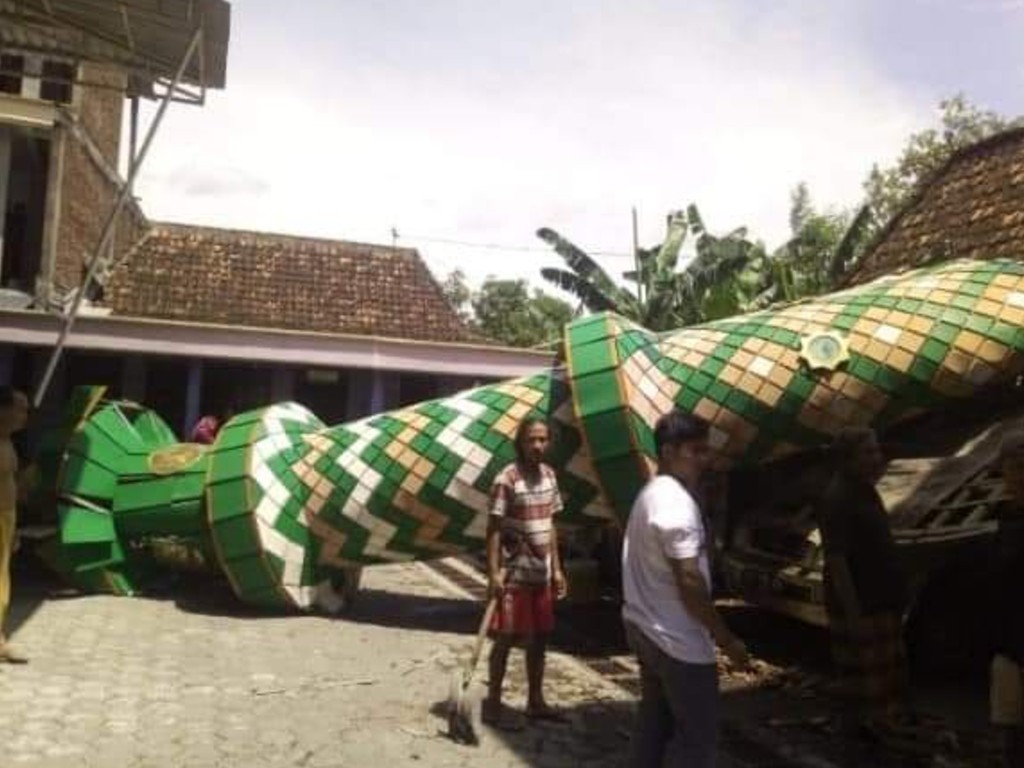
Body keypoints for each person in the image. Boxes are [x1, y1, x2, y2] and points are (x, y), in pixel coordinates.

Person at [621, 409, 750, 768]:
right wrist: (727, 639)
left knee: (654, 727)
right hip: (677, 641)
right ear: (668, 451)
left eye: (704, 450)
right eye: (695, 451)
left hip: (646, 628)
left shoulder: (652, 493)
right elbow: (690, 583)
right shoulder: (675, 505)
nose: (704, 460)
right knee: (698, 741)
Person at [817, 426, 908, 736]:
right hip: (863, 605)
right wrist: (854, 613)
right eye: (868, 452)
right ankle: (867, 744)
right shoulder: (838, 498)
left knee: (886, 681)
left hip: (880, 600)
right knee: (866, 688)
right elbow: (837, 559)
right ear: (848, 459)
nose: (876, 457)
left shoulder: (864, 489)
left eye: (876, 450)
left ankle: (878, 736)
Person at [483, 416, 568, 730]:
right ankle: (492, 701)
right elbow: (492, 529)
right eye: (531, 439)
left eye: (543, 439)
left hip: (541, 573)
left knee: (541, 638)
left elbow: (551, 523)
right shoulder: (507, 478)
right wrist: (493, 573)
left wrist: (557, 569)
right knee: (506, 637)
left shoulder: (549, 475)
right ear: (520, 442)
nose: (538, 445)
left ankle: (535, 701)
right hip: (514, 572)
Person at [991, 427, 1024, 768]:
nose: (1017, 474)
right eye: (1013, 466)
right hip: (1007, 643)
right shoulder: (1007, 517)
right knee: (1008, 731)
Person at [0, 385, 30, 664]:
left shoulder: (8, 441)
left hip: (6, 518)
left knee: (2, 582)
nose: (25, 415)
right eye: (20, 408)